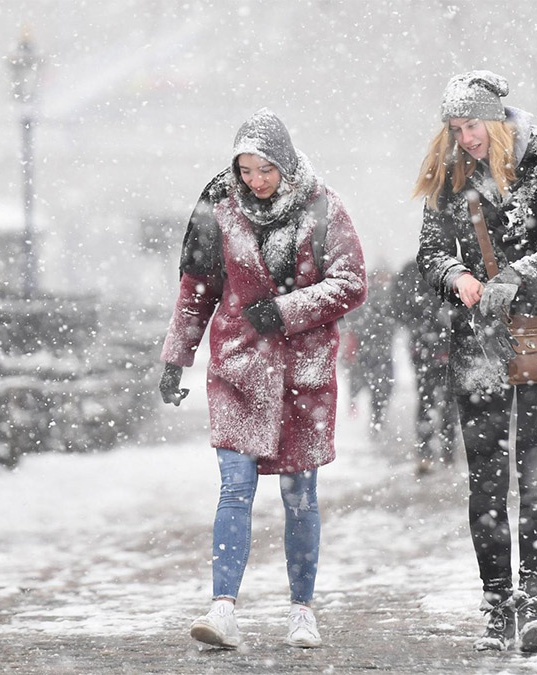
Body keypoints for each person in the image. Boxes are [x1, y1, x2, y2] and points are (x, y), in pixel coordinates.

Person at [159, 108, 367, 650]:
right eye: (246, 169)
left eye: (266, 169)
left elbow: (351, 283)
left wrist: (287, 311)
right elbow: (197, 289)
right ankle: (222, 607)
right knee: (235, 489)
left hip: (303, 375)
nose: (255, 180)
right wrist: (177, 357)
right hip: (238, 369)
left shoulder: (323, 209)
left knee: (301, 496)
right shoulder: (217, 207)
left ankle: (302, 609)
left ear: (286, 163)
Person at [413, 71, 537, 653]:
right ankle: (496, 602)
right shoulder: (451, 173)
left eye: (473, 126)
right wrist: (454, 276)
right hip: (478, 337)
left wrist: (518, 274)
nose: (466, 138)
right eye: (456, 128)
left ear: (496, 119)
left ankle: (534, 599)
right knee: (486, 476)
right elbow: (430, 252)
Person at [391, 260, 457, 476]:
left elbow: (398, 307)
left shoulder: (415, 269)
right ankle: (438, 451)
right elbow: (398, 306)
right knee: (438, 398)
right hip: (430, 346)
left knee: (435, 398)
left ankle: (433, 451)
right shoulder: (447, 267)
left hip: (432, 346)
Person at [343, 267, 398, 434]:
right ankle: (374, 420)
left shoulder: (388, 298)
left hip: (378, 351)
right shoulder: (371, 298)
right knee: (375, 386)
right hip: (369, 350)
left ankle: (376, 419)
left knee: (379, 388)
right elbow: (354, 321)